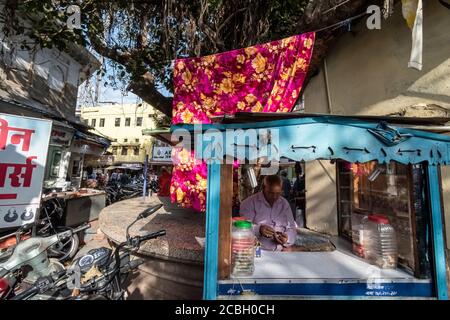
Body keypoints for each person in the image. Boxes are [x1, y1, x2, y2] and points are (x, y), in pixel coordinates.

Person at [239, 175, 297, 251]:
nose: (274, 197)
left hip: (281, 251)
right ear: (263, 188)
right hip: (257, 251)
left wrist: (287, 239)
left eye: (278, 193)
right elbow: (243, 229)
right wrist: (258, 229)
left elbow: (292, 228)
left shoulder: (284, 204)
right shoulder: (248, 203)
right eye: (271, 193)